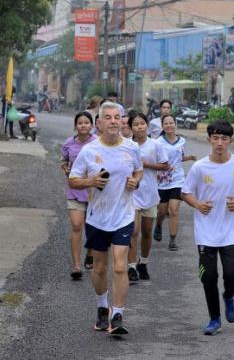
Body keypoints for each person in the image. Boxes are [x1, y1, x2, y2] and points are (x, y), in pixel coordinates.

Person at [68, 102, 143, 335]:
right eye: (107, 118)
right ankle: (103, 306)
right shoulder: (89, 151)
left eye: (117, 117)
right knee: (99, 268)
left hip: (123, 215)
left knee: (120, 266)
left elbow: (138, 170)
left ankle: (117, 314)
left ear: (122, 122)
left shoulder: (131, 148)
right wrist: (91, 182)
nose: (113, 121)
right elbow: (73, 179)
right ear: (98, 124)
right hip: (97, 218)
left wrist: (136, 181)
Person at [181, 120, 234, 336]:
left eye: (224, 139)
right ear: (209, 140)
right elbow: (186, 193)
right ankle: (214, 319)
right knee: (209, 276)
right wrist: (198, 204)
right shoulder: (199, 167)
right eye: (215, 138)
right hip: (206, 231)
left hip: (231, 229)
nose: (219, 143)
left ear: (230, 141)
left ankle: (229, 296)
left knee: (232, 273)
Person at [128, 112, 169, 282]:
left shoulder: (156, 145)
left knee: (146, 232)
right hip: (132, 195)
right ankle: (131, 267)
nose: (139, 127)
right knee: (134, 232)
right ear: (131, 127)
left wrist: (146, 164)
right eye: (136, 124)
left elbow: (165, 166)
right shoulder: (127, 146)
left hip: (150, 194)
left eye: (142, 123)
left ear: (147, 125)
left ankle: (143, 262)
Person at [61, 112, 97, 279]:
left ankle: (90, 252)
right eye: (80, 123)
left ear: (92, 125)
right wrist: (66, 169)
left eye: (86, 122)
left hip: (94, 192)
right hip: (75, 189)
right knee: (77, 225)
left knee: (93, 229)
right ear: (75, 126)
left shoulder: (98, 142)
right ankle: (76, 265)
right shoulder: (69, 143)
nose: (83, 125)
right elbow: (64, 160)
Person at [155, 114, 196, 251]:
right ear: (162, 126)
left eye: (171, 123)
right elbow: (156, 160)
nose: (169, 125)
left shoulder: (182, 141)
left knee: (174, 210)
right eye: (166, 123)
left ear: (175, 124)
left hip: (178, 180)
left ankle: (172, 240)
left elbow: (179, 157)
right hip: (162, 181)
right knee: (162, 211)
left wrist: (189, 157)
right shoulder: (158, 142)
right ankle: (159, 224)